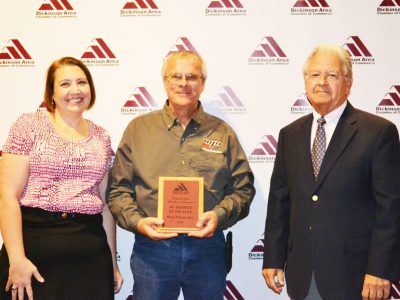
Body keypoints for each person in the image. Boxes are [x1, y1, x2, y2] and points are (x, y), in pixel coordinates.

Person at [107, 50, 256, 300]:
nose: (184, 83)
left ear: (203, 83)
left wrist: (218, 217)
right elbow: (118, 191)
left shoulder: (222, 132)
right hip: (153, 249)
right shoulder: (138, 130)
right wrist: (138, 223)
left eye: (192, 77)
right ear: (165, 81)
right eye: (176, 76)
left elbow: (243, 189)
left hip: (207, 249)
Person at [262, 44, 400, 300]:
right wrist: (272, 257)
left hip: (358, 277)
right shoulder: (290, 134)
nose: (322, 82)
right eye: (314, 75)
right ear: (305, 81)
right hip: (303, 274)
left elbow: (391, 208)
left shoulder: (378, 132)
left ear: (348, 82)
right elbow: (280, 202)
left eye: (332, 75)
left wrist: (380, 269)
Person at [0, 57, 123, 300]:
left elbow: (106, 207)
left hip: (89, 255)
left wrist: (112, 263)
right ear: (52, 92)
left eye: (82, 82)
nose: (75, 90)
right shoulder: (28, 125)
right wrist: (16, 259)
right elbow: (7, 196)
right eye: (65, 84)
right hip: (34, 252)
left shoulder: (102, 137)